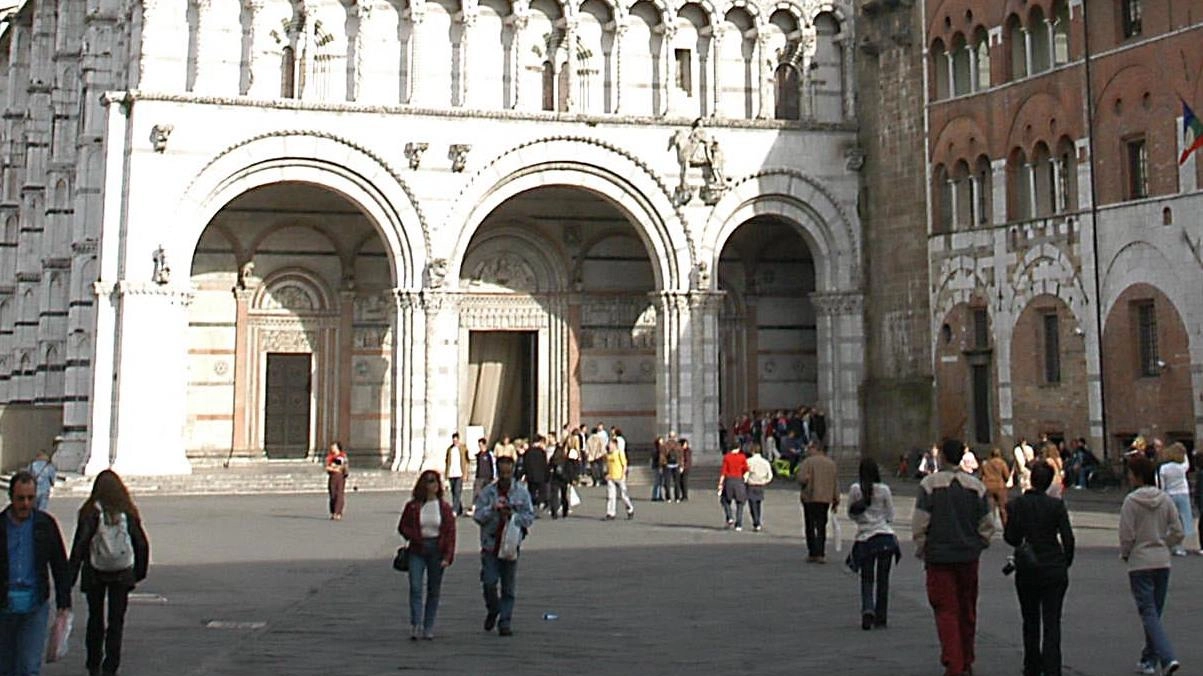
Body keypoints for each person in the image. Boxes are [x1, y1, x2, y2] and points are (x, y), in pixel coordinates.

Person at [912, 438, 995, 676]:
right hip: (968, 556)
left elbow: (920, 521)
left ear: (943, 457)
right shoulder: (976, 486)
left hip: (939, 557)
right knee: (967, 609)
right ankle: (967, 658)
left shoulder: (929, 484)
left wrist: (923, 546)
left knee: (946, 610)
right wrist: (980, 543)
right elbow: (987, 523)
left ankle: (954, 661)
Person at [67, 470, 150, 676]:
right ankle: (111, 666)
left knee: (95, 619)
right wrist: (138, 572)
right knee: (116, 622)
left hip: (95, 572)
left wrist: (69, 577)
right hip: (121, 573)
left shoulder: (90, 511)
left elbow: (80, 545)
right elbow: (141, 542)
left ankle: (93, 663)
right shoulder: (127, 511)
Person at [1004, 461, 1074, 676]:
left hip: (1028, 568)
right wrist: (1065, 561)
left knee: (1030, 618)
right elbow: (1068, 538)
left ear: (1032, 479)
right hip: (1053, 566)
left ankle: (1032, 664)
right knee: (1052, 621)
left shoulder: (1017, 505)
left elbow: (1011, 537)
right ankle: (1053, 667)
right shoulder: (1056, 505)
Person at [0, 471, 71, 676]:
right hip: (4, 605)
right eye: (20, 498)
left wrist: (64, 604)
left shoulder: (45, 524)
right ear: (11, 497)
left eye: (30, 498)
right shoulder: (2, 525)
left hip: (34, 605)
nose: (25, 504)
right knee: (5, 666)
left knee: (29, 667)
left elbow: (59, 564)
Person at [1120, 455, 1183, 675]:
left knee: (1148, 612)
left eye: (1130, 473)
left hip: (1140, 561)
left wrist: (1127, 553)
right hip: (1162, 561)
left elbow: (1126, 535)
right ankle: (1148, 659)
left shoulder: (1131, 501)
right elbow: (1178, 531)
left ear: (1137, 476)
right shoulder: (1165, 499)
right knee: (1154, 612)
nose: (1128, 477)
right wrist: (1165, 544)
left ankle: (1167, 657)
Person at [473, 457, 535, 636]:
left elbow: (529, 517)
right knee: (489, 582)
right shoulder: (488, 492)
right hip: (490, 544)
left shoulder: (521, 493)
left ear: (513, 471)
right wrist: (492, 509)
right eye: (502, 473)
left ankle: (505, 621)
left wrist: (513, 515)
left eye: (508, 472)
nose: (505, 476)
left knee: (508, 586)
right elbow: (477, 516)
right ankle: (493, 609)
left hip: (509, 545)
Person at [398, 470, 456, 640]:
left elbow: (450, 533)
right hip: (417, 549)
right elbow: (402, 526)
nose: (433, 485)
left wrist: (447, 557)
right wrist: (414, 535)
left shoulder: (444, 508)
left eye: (436, 482)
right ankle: (416, 624)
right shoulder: (413, 506)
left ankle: (428, 626)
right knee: (415, 587)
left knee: (433, 590)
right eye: (430, 481)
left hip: (437, 550)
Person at [846, 458, 900, 630]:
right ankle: (881, 616)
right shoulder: (884, 490)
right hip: (885, 537)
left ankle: (868, 608)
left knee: (867, 578)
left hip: (865, 539)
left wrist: (864, 520)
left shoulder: (855, 489)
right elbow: (891, 515)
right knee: (883, 580)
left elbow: (851, 514)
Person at [797, 442, 839, 562]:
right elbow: (835, 482)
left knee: (810, 525)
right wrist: (836, 499)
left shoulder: (808, 462)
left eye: (810, 448)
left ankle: (812, 552)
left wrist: (806, 480)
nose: (808, 450)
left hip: (810, 498)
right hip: (825, 499)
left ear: (815, 449)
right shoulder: (831, 464)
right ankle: (820, 552)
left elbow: (801, 479)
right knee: (821, 526)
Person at [1156, 442, 1192, 557]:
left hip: (1169, 495)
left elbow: (1160, 484)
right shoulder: (1182, 468)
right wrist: (1184, 452)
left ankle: (1168, 544)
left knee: (1169, 521)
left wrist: (1161, 493)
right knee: (1182, 521)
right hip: (1183, 494)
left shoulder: (1164, 468)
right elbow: (1187, 464)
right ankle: (1179, 546)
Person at [603, 437, 635, 520]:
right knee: (611, 496)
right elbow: (608, 466)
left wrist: (623, 474)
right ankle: (610, 513)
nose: (609, 446)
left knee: (623, 496)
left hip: (619, 477)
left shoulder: (619, 453)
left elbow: (624, 465)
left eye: (610, 444)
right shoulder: (608, 454)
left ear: (615, 445)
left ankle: (630, 508)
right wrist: (607, 474)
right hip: (611, 477)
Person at [718, 446, 749, 530]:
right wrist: (745, 478)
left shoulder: (727, 457)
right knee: (740, 503)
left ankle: (729, 516)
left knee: (724, 500)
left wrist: (720, 484)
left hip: (729, 481)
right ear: (738, 448)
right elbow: (746, 469)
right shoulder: (742, 457)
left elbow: (723, 471)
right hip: (739, 481)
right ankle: (739, 524)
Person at [981, 448, 1012, 528]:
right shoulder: (1002, 463)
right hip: (1000, 486)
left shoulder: (986, 463)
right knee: (1002, 508)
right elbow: (1007, 476)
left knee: (990, 509)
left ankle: (991, 526)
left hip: (988, 486)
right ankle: (1005, 525)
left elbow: (982, 475)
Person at [745, 445, 773, 532]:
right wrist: (765, 481)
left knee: (752, 504)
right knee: (758, 503)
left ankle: (756, 521)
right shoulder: (765, 462)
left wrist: (745, 480)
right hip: (760, 484)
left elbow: (745, 473)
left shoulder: (749, 461)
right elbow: (770, 475)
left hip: (751, 484)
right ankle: (758, 521)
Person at [445, 433, 471, 516]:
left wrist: (465, 474)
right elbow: (447, 462)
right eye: (453, 440)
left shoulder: (463, 448)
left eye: (456, 440)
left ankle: (455, 510)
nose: (455, 441)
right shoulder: (450, 449)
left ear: (458, 439)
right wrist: (446, 475)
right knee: (453, 492)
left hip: (459, 473)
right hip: (451, 474)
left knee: (457, 492)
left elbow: (467, 461)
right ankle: (459, 508)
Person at [523, 436, 550, 515]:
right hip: (541, 475)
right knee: (541, 491)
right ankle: (539, 504)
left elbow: (525, 464)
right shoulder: (542, 452)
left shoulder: (528, 452)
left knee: (531, 491)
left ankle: (532, 506)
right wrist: (547, 475)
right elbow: (545, 465)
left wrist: (525, 474)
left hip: (531, 476)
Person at [324, 441, 349, 520]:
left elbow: (343, 467)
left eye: (334, 447)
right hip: (332, 477)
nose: (332, 448)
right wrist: (334, 468)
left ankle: (337, 512)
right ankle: (332, 511)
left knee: (339, 495)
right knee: (333, 494)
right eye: (332, 447)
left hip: (340, 477)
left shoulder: (342, 456)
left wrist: (337, 468)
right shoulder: (329, 457)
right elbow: (327, 467)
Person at [471, 438, 495, 515]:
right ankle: (474, 507)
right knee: (477, 492)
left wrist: (493, 476)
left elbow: (493, 465)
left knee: (488, 493)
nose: (480, 447)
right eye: (479, 445)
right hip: (479, 477)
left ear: (485, 445)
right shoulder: (478, 455)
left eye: (481, 445)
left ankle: (488, 507)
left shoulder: (489, 454)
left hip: (488, 477)